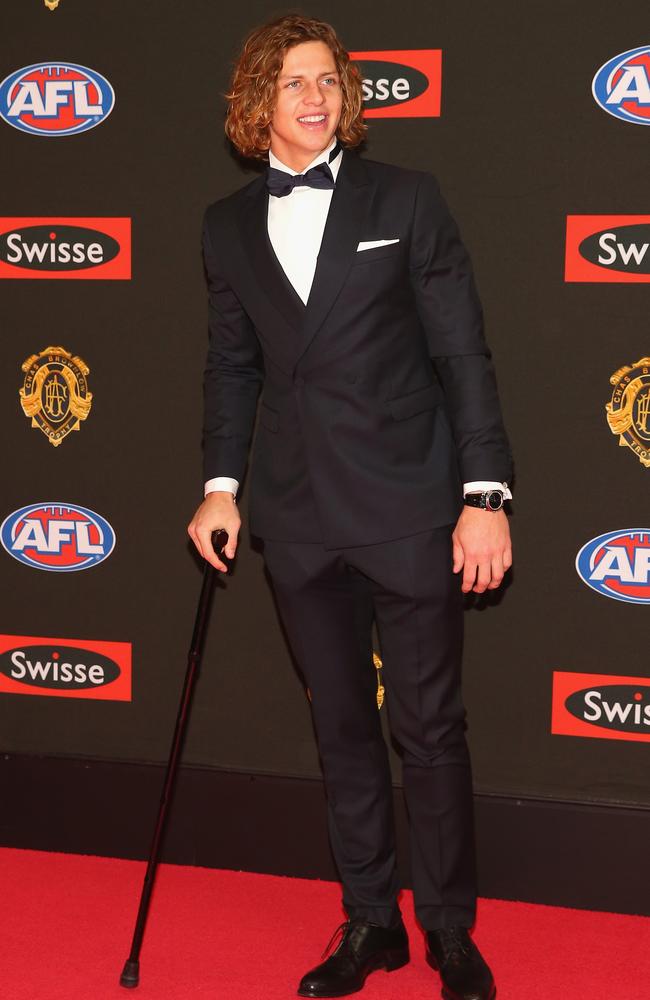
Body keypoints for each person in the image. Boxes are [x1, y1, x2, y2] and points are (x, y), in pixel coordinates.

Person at [188, 14, 512, 1000]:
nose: (315, 96)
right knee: (340, 728)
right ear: (256, 104)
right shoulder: (225, 226)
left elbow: (461, 352)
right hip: (295, 520)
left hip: (410, 508)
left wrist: (483, 495)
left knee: (428, 728)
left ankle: (447, 929)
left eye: (326, 79)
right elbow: (231, 365)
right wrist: (219, 486)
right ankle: (369, 921)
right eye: (292, 83)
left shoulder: (406, 200)